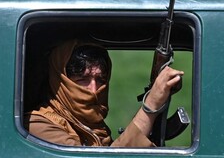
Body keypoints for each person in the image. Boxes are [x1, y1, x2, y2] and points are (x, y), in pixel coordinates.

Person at [24, 39, 184, 147]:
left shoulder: (93, 126)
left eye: (100, 80)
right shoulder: (38, 125)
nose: (94, 90)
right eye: (82, 79)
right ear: (60, 80)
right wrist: (151, 104)